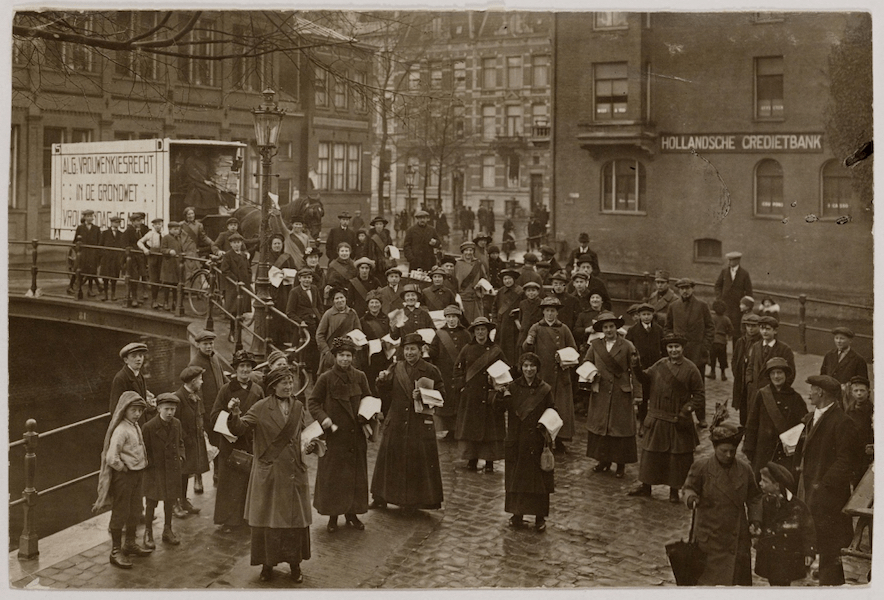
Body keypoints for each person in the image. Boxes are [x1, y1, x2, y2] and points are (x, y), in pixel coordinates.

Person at [226, 367, 316, 583]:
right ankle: (267, 566)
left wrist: (311, 444)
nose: (288, 386)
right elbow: (239, 429)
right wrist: (235, 413)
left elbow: (304, 435)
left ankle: (295, 566)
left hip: (294, 473)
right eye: (283, 382)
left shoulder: (298, 406)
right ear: (273, 386)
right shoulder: (260, 407)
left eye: (290, 381)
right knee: (269, 522)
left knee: (295, 523)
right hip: (271, 474)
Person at [796, 374, 863, 586]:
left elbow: (846, 462)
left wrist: (823, 486)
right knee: (811, 535)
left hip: (828, 498)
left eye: (812, 389)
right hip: (809, 491)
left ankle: (829, 588)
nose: (809, 393)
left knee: (830, 546)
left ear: (821, 393)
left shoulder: (843, 422)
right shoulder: (811, 417)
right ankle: (814, 577)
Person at [370, 332, 445, 511]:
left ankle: (413, 502)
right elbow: (384, 393)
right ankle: (381, 498)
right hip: (396, 420)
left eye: (413, 349)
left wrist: (424, 396)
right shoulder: (395, 367)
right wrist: (380, 381)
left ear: (421, 351)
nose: (409, 353)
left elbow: (442, 396)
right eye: (407, 349)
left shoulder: (431, 370)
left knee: (415, 463)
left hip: (418, 423)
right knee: (388, 462)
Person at [308, 337, 376, 533]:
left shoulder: (360, 376)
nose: (345, 359)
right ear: (335, 357)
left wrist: (368, 414)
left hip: (355, 438)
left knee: (354, 477)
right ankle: (332, 516)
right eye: (341, 356)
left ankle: (352, 514)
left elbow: (368, 398)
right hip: (335, 437)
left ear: (353, 358)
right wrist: (324, 418)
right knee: (334, 478)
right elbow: (313, 402)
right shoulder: (326, 378)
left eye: (348, 356)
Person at [683, 422, 761, 586]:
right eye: (723, 451)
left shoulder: (745, 469)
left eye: (732, 451)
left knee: (735, 585)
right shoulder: (702, 467)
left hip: (736, 539)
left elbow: (754, 497)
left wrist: (755, 520)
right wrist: (691, 498)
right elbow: (689, 488)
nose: (728, 455)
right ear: (715, 448)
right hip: (709, 538)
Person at [629, 334, 705, 503]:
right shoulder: (660, 365)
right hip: (657, 418)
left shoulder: (691, 369)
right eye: (670, 347)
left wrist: (686, 411)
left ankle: (674, 491)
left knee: (676, 458)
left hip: (677, 420)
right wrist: (636, 366)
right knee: (650, 454)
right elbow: (644, 378)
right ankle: (646, 487)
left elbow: (699, 396)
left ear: (682, 348)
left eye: (677, 347)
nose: (673, 350)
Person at [494, 352, 555, 532]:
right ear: (521, 368)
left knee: (539, 481)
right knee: (516, 478)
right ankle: (517, 514)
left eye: (532, 366)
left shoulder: (545, 389)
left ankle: (539, 517)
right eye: (525, 366)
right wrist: (499, 394)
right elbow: (499, 409)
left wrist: (546, 426)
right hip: (517, 439)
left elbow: (553, 410)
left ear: (537, 368)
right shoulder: (511, 387)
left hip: (537, 441)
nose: (529, 369)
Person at [93, 391, 153, 569]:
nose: (137, 414)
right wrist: (123, 468)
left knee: (134, 509)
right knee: (121, 511)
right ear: (124, 410)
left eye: (140, 411)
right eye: (133, 410)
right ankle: (116, 551)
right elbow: (111, 457)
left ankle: (130, 543)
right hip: (124, 477)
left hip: (136, 475)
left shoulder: (134, 426)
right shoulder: (120, 430)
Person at [210, 351, 263, 532]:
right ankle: (229, 521)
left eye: (248, 366)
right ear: (236, 369)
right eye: (242, 366)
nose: (245, 370)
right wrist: (229, 411)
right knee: (230, 483)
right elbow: (214, 415)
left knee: (248, 482)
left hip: (249, 442)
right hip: (231, 443)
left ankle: (247, 518)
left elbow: (263, 413)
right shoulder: (226, 390)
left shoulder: (257, 389)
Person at [583, 313, 640, 479]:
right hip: (600, 391)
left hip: (620, 394)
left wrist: (637, 394)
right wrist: (590, 374)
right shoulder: (595, 345)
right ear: (601, 329)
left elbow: (636, 372)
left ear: (617, 328)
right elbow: (586, 363)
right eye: (605, 327)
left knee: (619, 429)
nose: (609, 330)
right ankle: (603, 461)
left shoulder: (628, 346)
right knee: (602, 427)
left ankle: (620, 464)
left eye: (611, 327)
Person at [522, 296, 577, 454]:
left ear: (557, 313)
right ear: (543, 312)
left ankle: (559, 440)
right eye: (547, 311)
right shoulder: (536, 327)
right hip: (543, 375)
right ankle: (542, 438)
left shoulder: (564, 329)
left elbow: (573, 349)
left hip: (561, 376)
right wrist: (529, 341)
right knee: (542, 407)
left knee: (560, 408)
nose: (550, 314)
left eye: (553, 311)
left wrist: (564, 357)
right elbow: (526, 348)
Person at [452, 317, 507, 472]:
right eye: (477, 330)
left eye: (483, 329)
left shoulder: (496, 350)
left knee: (491, 430)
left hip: (490, 396)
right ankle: (472, 460)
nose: (480, 332)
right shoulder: (467, 349)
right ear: (474, 332)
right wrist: (462, 386)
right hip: (471, 396)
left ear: (488, 331)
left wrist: (497, 382)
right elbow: (457, 368)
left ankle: (489, 462)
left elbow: (505, 370)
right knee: (471, 428)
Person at [754, 462, 816, 587]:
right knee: (774, 582)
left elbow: (808, 530)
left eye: (765, 481)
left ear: (776, 485)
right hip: (769, 555)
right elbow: (759, 521)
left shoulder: (798, 506)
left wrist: (809, 551)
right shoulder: (765, 501)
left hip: (788, 556)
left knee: (783, 583)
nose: (760, 484)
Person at [743, 357, 807, 475]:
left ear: (786, 375)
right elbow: (752, 423)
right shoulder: (762, 395)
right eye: (773, 373)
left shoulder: (795, 398)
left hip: (785, 453)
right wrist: (749, 447)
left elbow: (803, 426)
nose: (776, 376)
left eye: (779, 372)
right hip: (764, 450)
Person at [665, 278, 714, 426]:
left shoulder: (702, 306)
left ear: (693, 289)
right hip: (678, 353)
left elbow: (710, 327)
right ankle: (679, 414)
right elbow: (667, 327)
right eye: (681, 288)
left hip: (697, 353)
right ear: (678, 290)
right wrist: (671, 343)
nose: (684, 291)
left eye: (687, 288)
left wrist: (704, 346)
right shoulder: (673, 306)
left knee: (699, 386)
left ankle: (701, 417)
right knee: (678, 383)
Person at [141, 393, 185, 548]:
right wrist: (151, 465)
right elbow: (144, 451)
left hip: (172, 469)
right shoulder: (149, 427)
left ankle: (167, 529)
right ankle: (148, 532)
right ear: (158, 408)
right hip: (155, 471)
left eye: (172, 409)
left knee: (170, 500)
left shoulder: (177, 424)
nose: (170, 412)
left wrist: (181, 456)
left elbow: (180, 442)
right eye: (166, 409)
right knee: (151, 502)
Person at [188, 329, 226, 490]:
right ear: (198, 345)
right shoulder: (195, 363)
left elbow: (222, 380)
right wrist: (201, 413)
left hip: (219, 410)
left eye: (211, 343)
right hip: (205, 411)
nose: (209, 347)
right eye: (205, 344)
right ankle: (198, 478)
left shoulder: (215, 358)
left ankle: (217, 472)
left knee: (219, 442)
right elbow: (195, 390)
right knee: (201, 445)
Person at [427, 305, 471, 438]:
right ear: (445, 318)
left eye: (454, 317)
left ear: (458, 318)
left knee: (458, 402)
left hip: (460, 373)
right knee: (446, 402)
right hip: (444, 373)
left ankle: (459, 430)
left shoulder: (466, 334)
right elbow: (434, 352)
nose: (451, 320)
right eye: (449, 317)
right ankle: (450, 431)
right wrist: (427, 349)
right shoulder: (440, 334)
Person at [172, 366, 210, 517]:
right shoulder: (178, 397)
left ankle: (183, 500)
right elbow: (176, 423)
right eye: (200, 379)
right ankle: (174, 504)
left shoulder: (195, 394)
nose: (201, 382)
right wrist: (186, 439)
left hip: (194, 441)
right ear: (193, 381)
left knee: (187, 471)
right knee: (178, 473)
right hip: (183, 443)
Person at [744, 316, 796, 426]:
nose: (764, 332)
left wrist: (780, 389)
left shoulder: (784, 349)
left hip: (773, 394)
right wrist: (749, 382)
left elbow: (791, 373)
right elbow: (750, 366)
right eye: (762, 328)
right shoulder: (756, 347)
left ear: (775, 331)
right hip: (755, 392)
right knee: (753, 421)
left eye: (768, 329)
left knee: (769, 422)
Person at [625, 303, 663, 425]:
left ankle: (654, 422)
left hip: (655, 367)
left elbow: (662, 347)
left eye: (648, 314)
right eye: (643, 314)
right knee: (642, 396)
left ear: (653, 315)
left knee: (655, 395)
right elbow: (628, 348)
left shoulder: (658, 330)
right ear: (639, 316)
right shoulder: (632, 330)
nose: (646, 317)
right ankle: (642, 422)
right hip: (640, 368)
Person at [286, 268, 323, 377]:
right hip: (304, 326)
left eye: (309, 277)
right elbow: (289, 312)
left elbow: (319, 306)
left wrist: (320, 316)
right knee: (303, 351)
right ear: (299, 279)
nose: (307, 280)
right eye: (304, 278)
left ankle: (315, 376)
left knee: (316, 351)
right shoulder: (295, 292)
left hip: (316, 324)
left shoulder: (314, 289)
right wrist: (300, 322)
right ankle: (303, 375)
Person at [714, 251, 753, 342]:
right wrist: (720, 298)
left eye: (731, 260)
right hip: (725, 306)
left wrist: (746, 305)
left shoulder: (744, 274)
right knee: (723, 329)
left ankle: (736, 353)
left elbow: (749, 291)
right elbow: (717, 285)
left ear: (737, 261)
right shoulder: (724, 272)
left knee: (736, 332)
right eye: (729, 260)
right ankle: (722, 352)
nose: (729, 262)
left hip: (737, 308)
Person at [360, 289, 392, 396]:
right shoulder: (362, 321)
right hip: (369, 359)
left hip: (385, 357)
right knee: (371, 387)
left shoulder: (387, 319)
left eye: (377, 302)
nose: (374, 305)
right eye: (372, 302)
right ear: (368, 305)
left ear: (381, 304)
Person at [732, 313, 762, 426]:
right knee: (743, 405)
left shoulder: (760, 342)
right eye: (748, 326)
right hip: (741, 380)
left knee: (754, 406)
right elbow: (735, 359)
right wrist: (737, 373)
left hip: (753, 381)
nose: (750, 329)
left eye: (753, 326)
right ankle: (743, 427)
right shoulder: (741, 341)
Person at [110, 342, 152, 416]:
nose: (138, 359)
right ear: (126, 360)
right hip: (130, 421)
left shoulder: (139, 375)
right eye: (134, 356)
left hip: (140, 419)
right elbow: (115, 408)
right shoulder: (120, 378)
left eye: (140, 355)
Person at [492, 267, 523, 365]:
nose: (507, 281)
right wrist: (495, 321)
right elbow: (494, 307)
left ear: (514, 279)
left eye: (509, 278)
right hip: (502, 326)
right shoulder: (500, 292)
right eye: (505, 279)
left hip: (515, 327)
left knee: (514, 350)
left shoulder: (520, 292)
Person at [454, 241, 488, 322]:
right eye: (466, 250)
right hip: (461, 299)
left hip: (475, 298)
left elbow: (484, 279)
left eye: (471, 250)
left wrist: (481, 286)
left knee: (477, 322)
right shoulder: (457, 264)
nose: (468, 253)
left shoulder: (478, 264)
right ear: (463, 252)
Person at [122, 212, 150, 305]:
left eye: (140, 221)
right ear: (132, 222)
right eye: (138, 221)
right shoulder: (128, 231)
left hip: (140, 256)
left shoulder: (141, 230)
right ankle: (134, 298)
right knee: (134, 276)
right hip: (133, 257)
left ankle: (142, 293)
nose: (140, 223)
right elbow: (125, 245)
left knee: (143, 273)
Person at [73, 208, 102, 296]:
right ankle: (79, 289)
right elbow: (74, 242)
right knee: (81, 271)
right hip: (83, 254)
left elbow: (99, 242)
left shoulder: (96, 229)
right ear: (84, 217)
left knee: (92, 272)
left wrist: (97, 253)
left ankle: (90, 290)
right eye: (88, 216)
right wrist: (78, 251)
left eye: (91, 216)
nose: (90, 218)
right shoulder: (80, 228)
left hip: (92, 254)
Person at [99, 215, 126, 302]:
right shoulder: (105, 233)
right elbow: (100, 245)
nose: (117, 224)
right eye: (115, 222)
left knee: (114, 277)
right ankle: (105, 294)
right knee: (105, 277)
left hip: (116, 259)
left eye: (118, 222)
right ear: (111, 223)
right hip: (106, 258)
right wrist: (104, 254)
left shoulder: (121, 234)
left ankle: (113, 294)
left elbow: (122, 246)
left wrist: (120, 256)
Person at [159, 221, 185, 311]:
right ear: (169, 229)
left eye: (178, 229)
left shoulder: (178, 238)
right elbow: (162, 249)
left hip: (177, 264)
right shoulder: (166, 238)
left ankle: (175, 302)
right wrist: (169, 251)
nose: (176, 231)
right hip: (168, 264)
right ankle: (165, 302)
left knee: (176, 283)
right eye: (174, 229)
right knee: (167, 284)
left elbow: (180, 249)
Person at [514, 281, 543, 350]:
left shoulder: (541, 303)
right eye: (528, 291)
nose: (531, 293)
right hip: (524, 332)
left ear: (538, 292)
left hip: (537, 331)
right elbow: (521, 317)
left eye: (533, 290)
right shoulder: (523, 303)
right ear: (525, 293)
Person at [708, 299, 733, 380]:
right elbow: (731, 329)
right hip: (722, 341)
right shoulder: (726, 319)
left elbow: (708, 328)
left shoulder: (712, 318)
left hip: (713, 340)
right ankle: (723, 374)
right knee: (722, 358)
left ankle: (712, 372)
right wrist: (728, 335)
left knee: (712, 357)